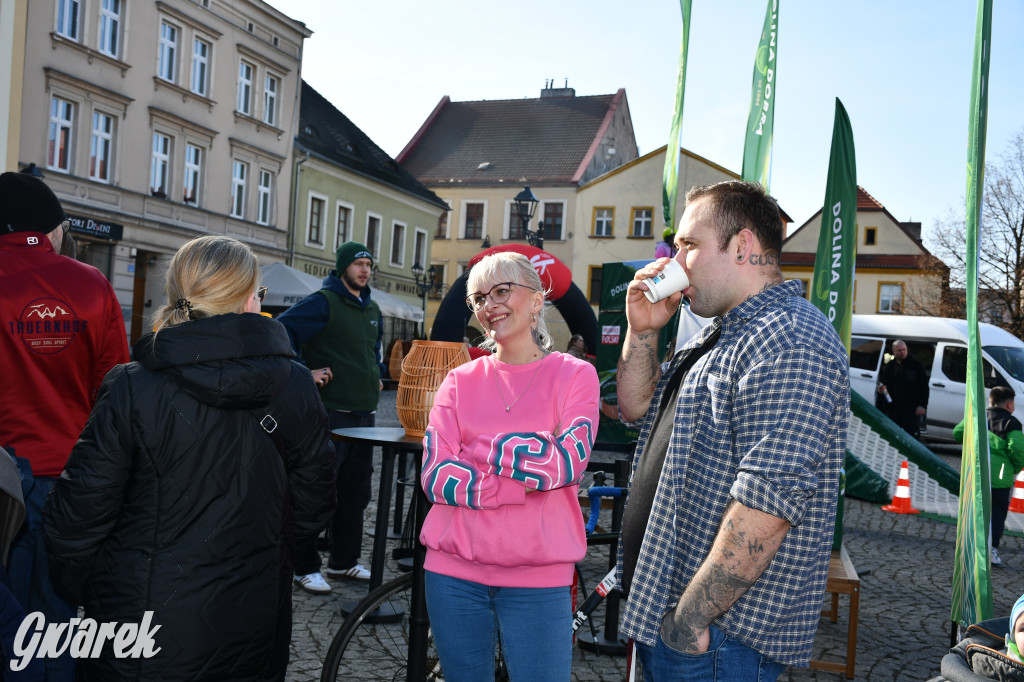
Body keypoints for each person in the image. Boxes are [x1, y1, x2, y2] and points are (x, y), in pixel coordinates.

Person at [43, 236, 335, 681]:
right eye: (258, 293)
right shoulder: (295, 384)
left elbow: (77, 515)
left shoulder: (132, 385)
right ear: (245, 298)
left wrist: (102, 587)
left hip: (138, 618)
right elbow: (312, 505)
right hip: (250, 612)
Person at [616, 181, 850, 681]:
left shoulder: (790, 337)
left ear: (743, 246)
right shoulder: (724, 332)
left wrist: (691, 620)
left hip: (717, 641)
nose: (673, 261)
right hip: (670, 612)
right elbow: (636, 406)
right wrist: (642, 331)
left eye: (688, 245)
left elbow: (769, 502)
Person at [419, 251, 600, 681]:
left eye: (503, 291)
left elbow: (563, 465)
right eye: (479, 298)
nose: (490, 305)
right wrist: (518, 480)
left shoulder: (574, 376)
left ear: (537, 300)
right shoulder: (460, 380)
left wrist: (476, 451)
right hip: (452, 574)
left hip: (539, 578)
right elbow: (436, 475)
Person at [0, 171, 129, 682]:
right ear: (50, 230)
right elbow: (115, 390)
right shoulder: (93, 283)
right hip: (70, 478)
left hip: (3, 476)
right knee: (55, 618)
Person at [276, 241, 386, 592]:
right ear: (342, 268)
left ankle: (344, 562)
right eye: (358, 264)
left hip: (364, 415)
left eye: (369, 264)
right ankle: (303, 566)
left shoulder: (373, 310)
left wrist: (377, 372)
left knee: (355, 494)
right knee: (316, 490)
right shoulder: (322, 303)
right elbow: (281, 331)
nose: (365, 270)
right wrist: (303, 371)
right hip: (330, 414)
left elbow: (371, 351)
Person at [953, 385, 1024, 567]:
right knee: (997, 514)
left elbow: (958, 433)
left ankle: (968, 548)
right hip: (1000, 479)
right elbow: (1017, 450)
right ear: (1009, 404)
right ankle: (991, 550)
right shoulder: (1012, 423)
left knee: (974, 510)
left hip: (975, 474)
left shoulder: (977, 416)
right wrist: (1015, 467)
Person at [876, 339, 929, 439]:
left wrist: (922, 405)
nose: (902, 352)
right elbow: (882, 386)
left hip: (910, 409)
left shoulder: (916, 366)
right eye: (899, 350)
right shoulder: (889, 367)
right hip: (893, 409)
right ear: (894, 352)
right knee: (891, 437)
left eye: (904, 349)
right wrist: (880, 392)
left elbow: (924, 388)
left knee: (912, 438)